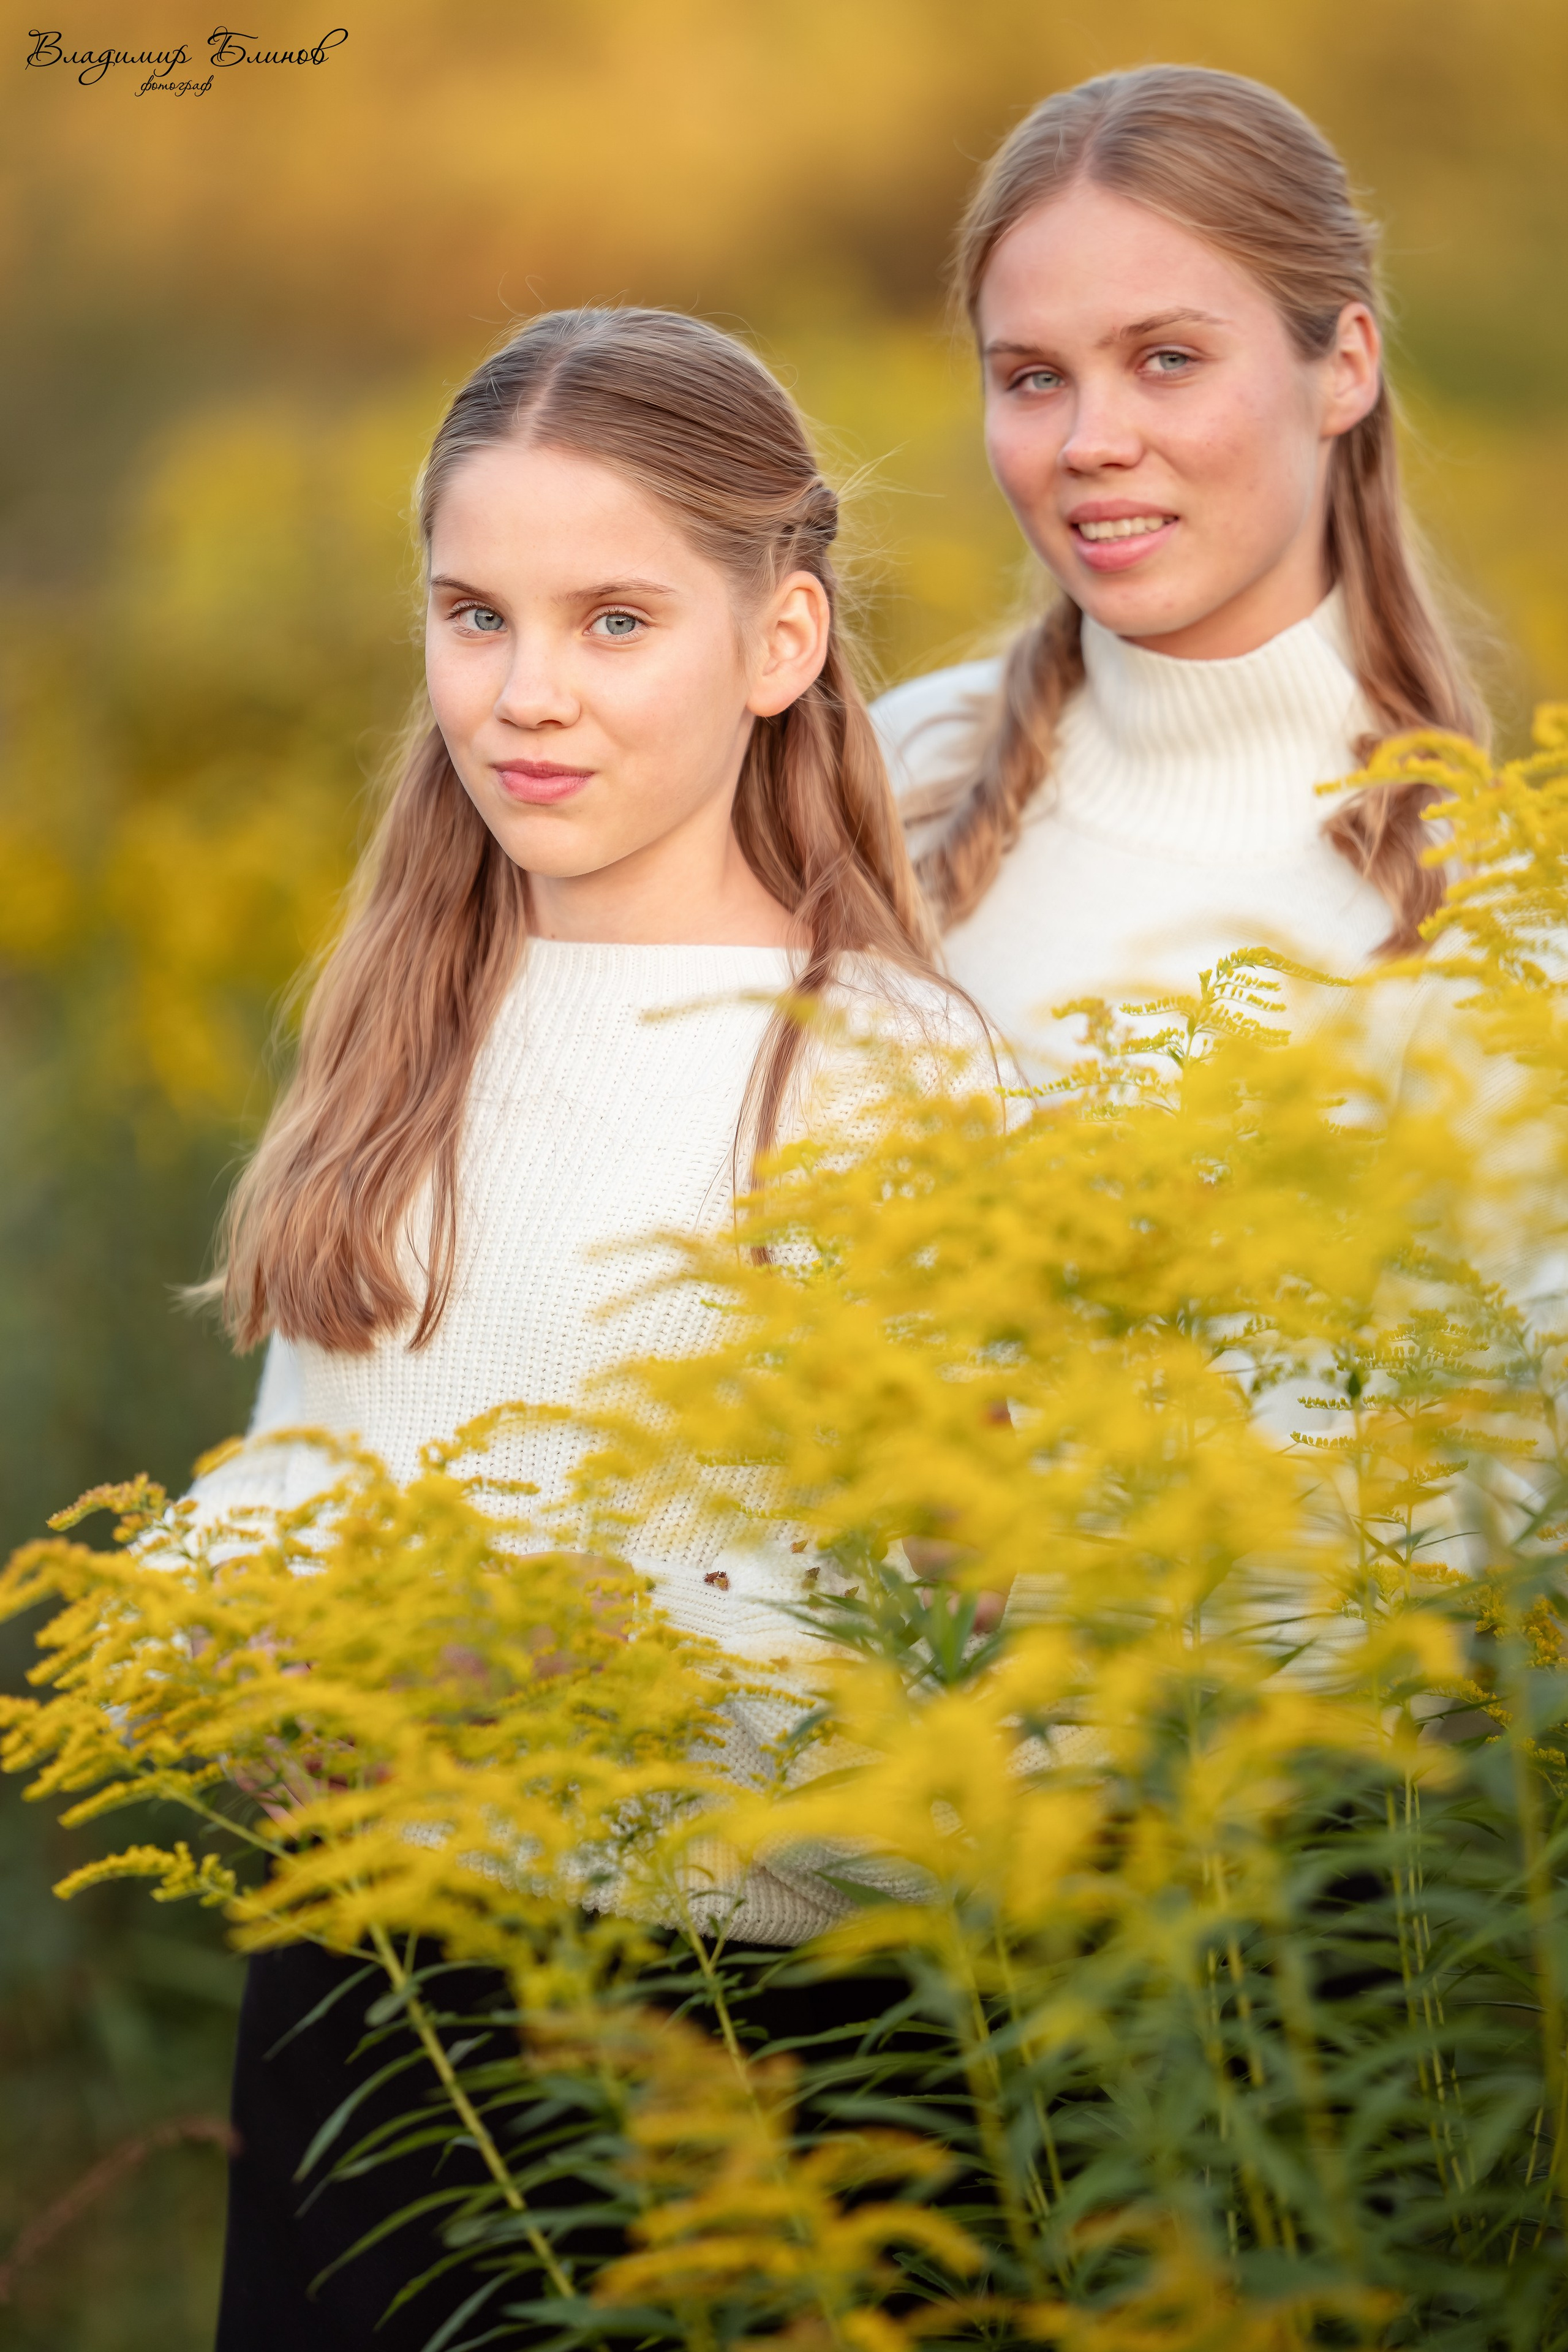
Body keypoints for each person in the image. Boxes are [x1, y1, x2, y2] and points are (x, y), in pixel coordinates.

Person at [203, 305, 989, 2348]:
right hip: (368, 2017)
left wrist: (559, 1674)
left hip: (737, 2057)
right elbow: (300, 1471)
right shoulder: (406, 1020)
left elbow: (975, 1669)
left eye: (615, 619)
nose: (524, 695)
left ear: (782, 644)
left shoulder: (886, 1078)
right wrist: (237, 1633)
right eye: (476, 615)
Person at [872, 66, 1484, 1075]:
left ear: (1344, 368)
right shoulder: (895, 780)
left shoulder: (1493, 913)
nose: (1090, 442)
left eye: (1168, 359)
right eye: (1034, 377)